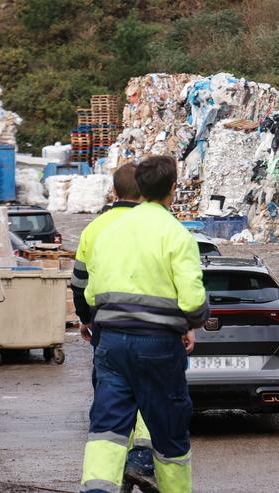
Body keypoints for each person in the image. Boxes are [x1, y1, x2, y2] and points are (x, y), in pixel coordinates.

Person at [80, 156, 209, 493]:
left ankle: (97, 488)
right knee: (168, 429)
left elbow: (92, 293)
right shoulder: (177, 235)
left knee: (107, 427)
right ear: (171, 189)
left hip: (111, 343)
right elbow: (193, 301)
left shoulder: (109, 230)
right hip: (158, 345)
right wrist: (192, 323)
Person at [70, 164, 158, 492]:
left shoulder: (95, 228)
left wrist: (86, 318)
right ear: (146, 191)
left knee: (111, 401)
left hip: (107, 327)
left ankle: (105, 479)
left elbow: (79, 283)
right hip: (153, 327)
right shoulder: (158, 225)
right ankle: (140, 459)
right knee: (150, 393)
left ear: (114, 191)